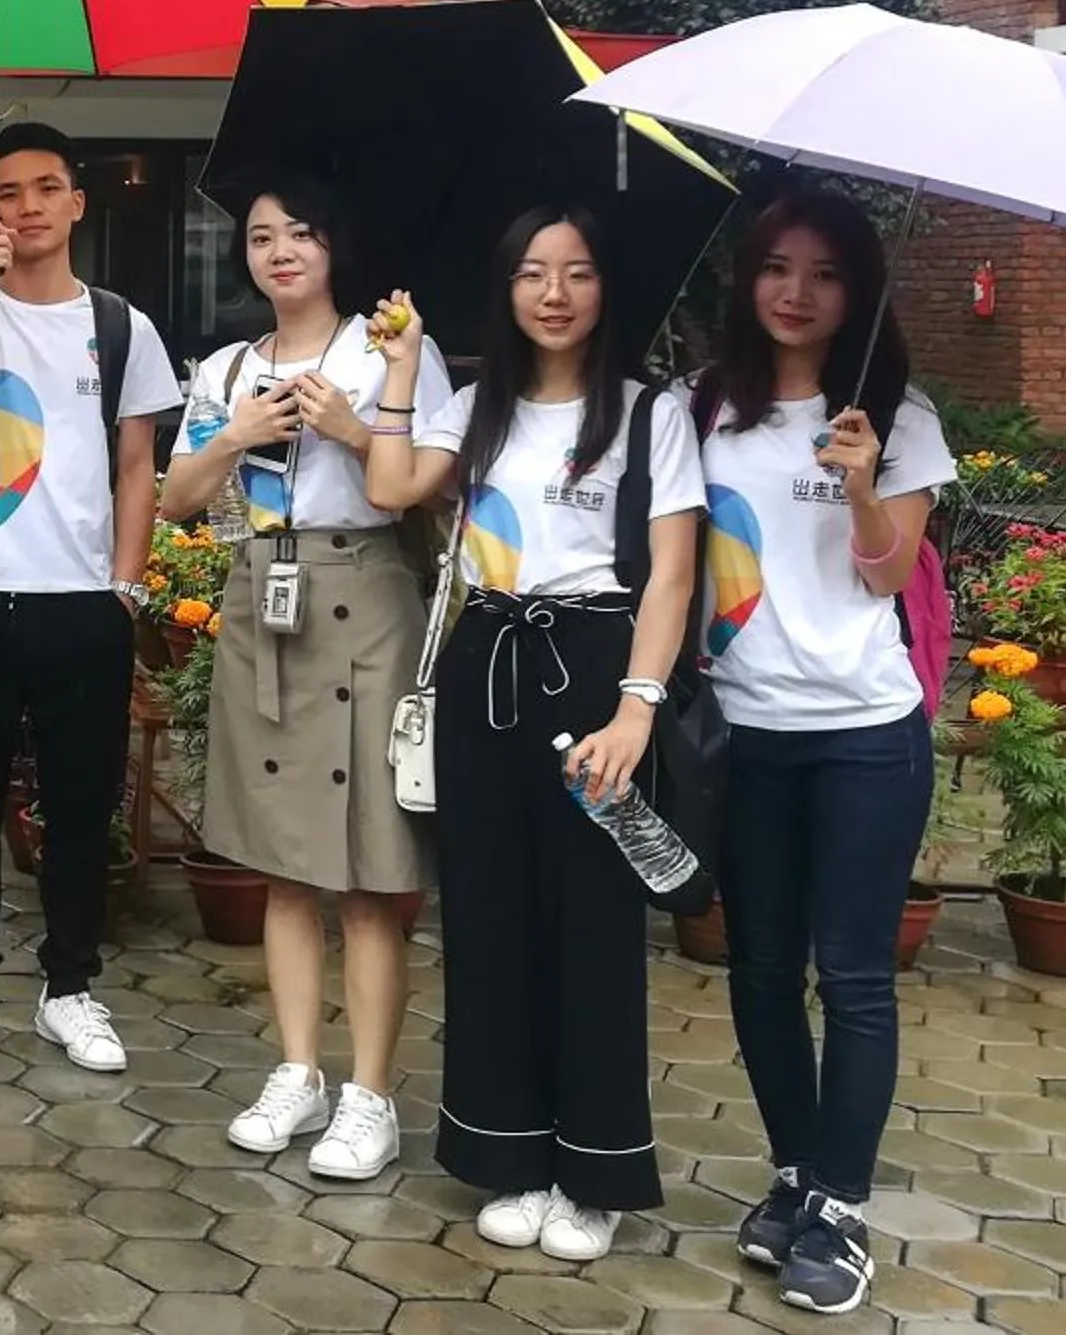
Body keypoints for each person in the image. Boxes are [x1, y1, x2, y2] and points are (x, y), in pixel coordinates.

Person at [362, 204, 701, 1264]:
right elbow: (388, 485)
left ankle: (592, 1173)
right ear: (505, 291)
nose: (555, 293)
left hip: (596, 674)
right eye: (532, 274)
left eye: (579, 272)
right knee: (489, 922)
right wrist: (405, 367)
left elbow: (673, 570)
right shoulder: (476, 408)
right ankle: (504, 1150)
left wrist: (638, 706)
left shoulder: (653, 415)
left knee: (593, 929)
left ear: (608, 291)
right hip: (484, 671)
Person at [688, 189, 954, 1316]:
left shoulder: (903, 417)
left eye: (826, 274)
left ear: (857, 293)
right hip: (740, 734)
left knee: (850, 978)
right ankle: (795, 1172)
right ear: (747, 281)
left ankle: (840, 1206)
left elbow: (889, 576)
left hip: (862, 737)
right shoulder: (699, 408)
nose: (797, 292)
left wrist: (857, 477)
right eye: (777, 268)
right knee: (756, 970)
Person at [160, 182, 448, 1181]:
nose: (281, 251)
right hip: (263, 603)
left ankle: (370, 1095)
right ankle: (297, 1071)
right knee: (282, 862)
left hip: (367, 600)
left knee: (370, 872)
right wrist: (234, 435)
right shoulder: (228, 368)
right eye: (261, 236)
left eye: (303, 232)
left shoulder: (390, 347)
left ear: (337, 245)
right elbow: (177, 506)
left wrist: (352, 427)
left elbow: (417, 489)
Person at [0, 123, 179, 1074]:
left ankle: (71, 986)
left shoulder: (120, 324)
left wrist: (127, 587)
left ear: (76, 202)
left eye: (46, 188)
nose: (27, 207)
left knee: (80, 801)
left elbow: (138, 461)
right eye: (9, 191)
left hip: (79, 601)